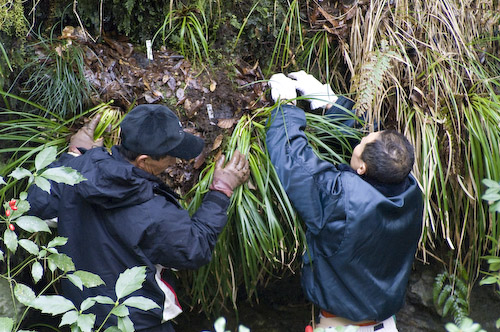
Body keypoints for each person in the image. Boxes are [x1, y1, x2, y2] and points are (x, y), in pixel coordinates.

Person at [27, 104, 250, 332]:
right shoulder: (153, 211)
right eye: (170, 156)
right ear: (143, 161)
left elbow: (35, 206)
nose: (175, 161)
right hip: (136, 323)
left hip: (80, 317)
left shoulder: (73, 175)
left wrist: (75, 154)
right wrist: (221, 191)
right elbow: (195, 248)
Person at [266, 71, 423, 332]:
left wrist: (285, 108)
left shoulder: (341, 198)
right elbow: (376, 148)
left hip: (339, 325)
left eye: (360, 144)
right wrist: (330, 102)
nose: (361, 138)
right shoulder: (411, 191)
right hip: (384, 323)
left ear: (361, 168)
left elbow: (293, 159)